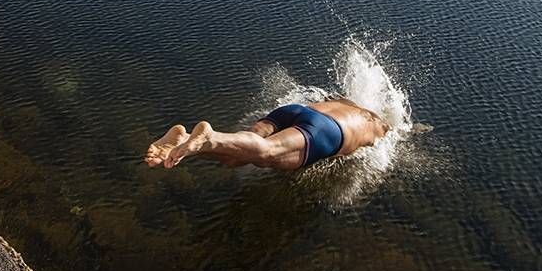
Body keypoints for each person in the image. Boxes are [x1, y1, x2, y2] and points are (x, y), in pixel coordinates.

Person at [146, 98, 390, 171]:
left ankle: (186, 141)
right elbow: (382, 140)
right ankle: (210, 137)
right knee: (266, 152)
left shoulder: (344, 102)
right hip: (326, 132)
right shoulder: (376, 125)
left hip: (295, 111)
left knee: (237, 157)